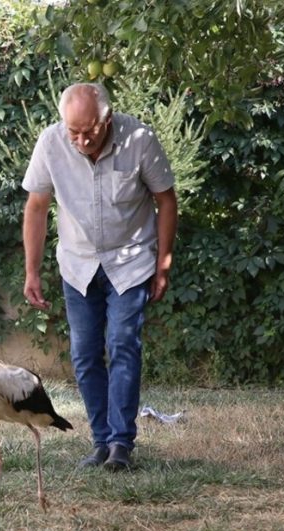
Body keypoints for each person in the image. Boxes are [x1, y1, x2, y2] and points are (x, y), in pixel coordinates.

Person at [22, 82, 178, 471]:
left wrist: (163, 264)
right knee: (85, 354)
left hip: (130, 263)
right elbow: (37, 207)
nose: (80, 139)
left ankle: (121, 444)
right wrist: (32, 270)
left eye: (88, 130)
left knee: (124, 344)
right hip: (78, 264)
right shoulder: (51, 143)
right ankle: (100, 441)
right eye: (73, 131)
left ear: (107, 119)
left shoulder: (139, 139)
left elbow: (166, 199)